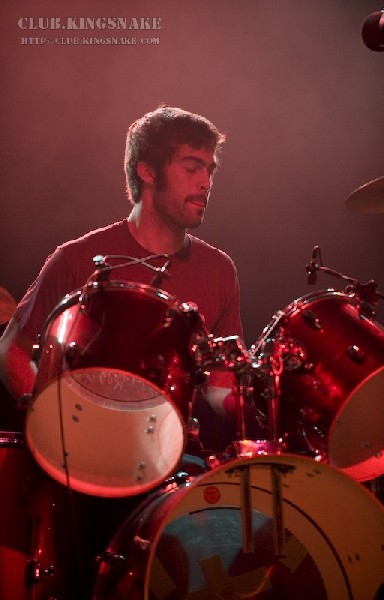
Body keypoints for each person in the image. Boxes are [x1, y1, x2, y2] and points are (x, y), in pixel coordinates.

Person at [0, 106, 249, 597]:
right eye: (192, 167)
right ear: (148, 171)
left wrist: (252, 393)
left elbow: (220, 386)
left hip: (165, 462)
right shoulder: (76, 258)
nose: (205, 182)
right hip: (74, 460)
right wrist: (49, 421)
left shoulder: (220, 271)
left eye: (210, 170)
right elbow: (10, 349)